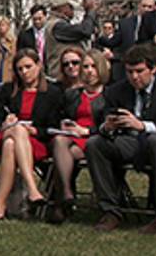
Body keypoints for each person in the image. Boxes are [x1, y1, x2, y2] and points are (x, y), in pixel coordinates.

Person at [87, 43, 156, 235]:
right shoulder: (117, 90)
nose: (134, 77)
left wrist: (143, 125)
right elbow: (103, 120)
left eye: (140, 71)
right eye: (129, 72)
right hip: (130, 141)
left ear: (154, 69)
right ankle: (110, 210)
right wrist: (108, 126)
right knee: (95, 144)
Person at [0, 49, 63, 220]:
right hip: (6, 133)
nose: (24, 72)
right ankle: (33, 189)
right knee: (16, 131)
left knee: (11, 145)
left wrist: (36, 131)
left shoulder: (52, 93)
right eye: (20, 69)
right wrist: (6, 123)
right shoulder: (8, 90)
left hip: (35, 141)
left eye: (28, 67)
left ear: (39, 66)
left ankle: (0, 205)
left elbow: (54, 125)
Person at [49, 48, 108, 221]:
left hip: (95, 138)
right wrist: (64, 124)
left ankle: (60, 202)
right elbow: (61, 115)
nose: (89, 71)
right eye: (85, 67)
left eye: (93, 66)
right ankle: (67, 193)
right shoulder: (72, 94)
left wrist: (87, 131)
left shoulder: (110, 94)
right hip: (71, 136)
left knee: (63, 154)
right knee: (60, 141)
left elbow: (109, 124)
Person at [40, 0, 98, 78]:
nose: (73, 11)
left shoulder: (53, 25)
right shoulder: (57, 26)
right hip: (62, 77)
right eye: (70, 7)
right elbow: (85, 31)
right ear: (62, 8)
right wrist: (91, 11)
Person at [102, 0, 156, 83]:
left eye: (150, 7)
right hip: (124, 70)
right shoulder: (125, 24)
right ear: (139, 6)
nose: (146, 9)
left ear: (154, 8)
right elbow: (114, 44)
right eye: (144, 6)